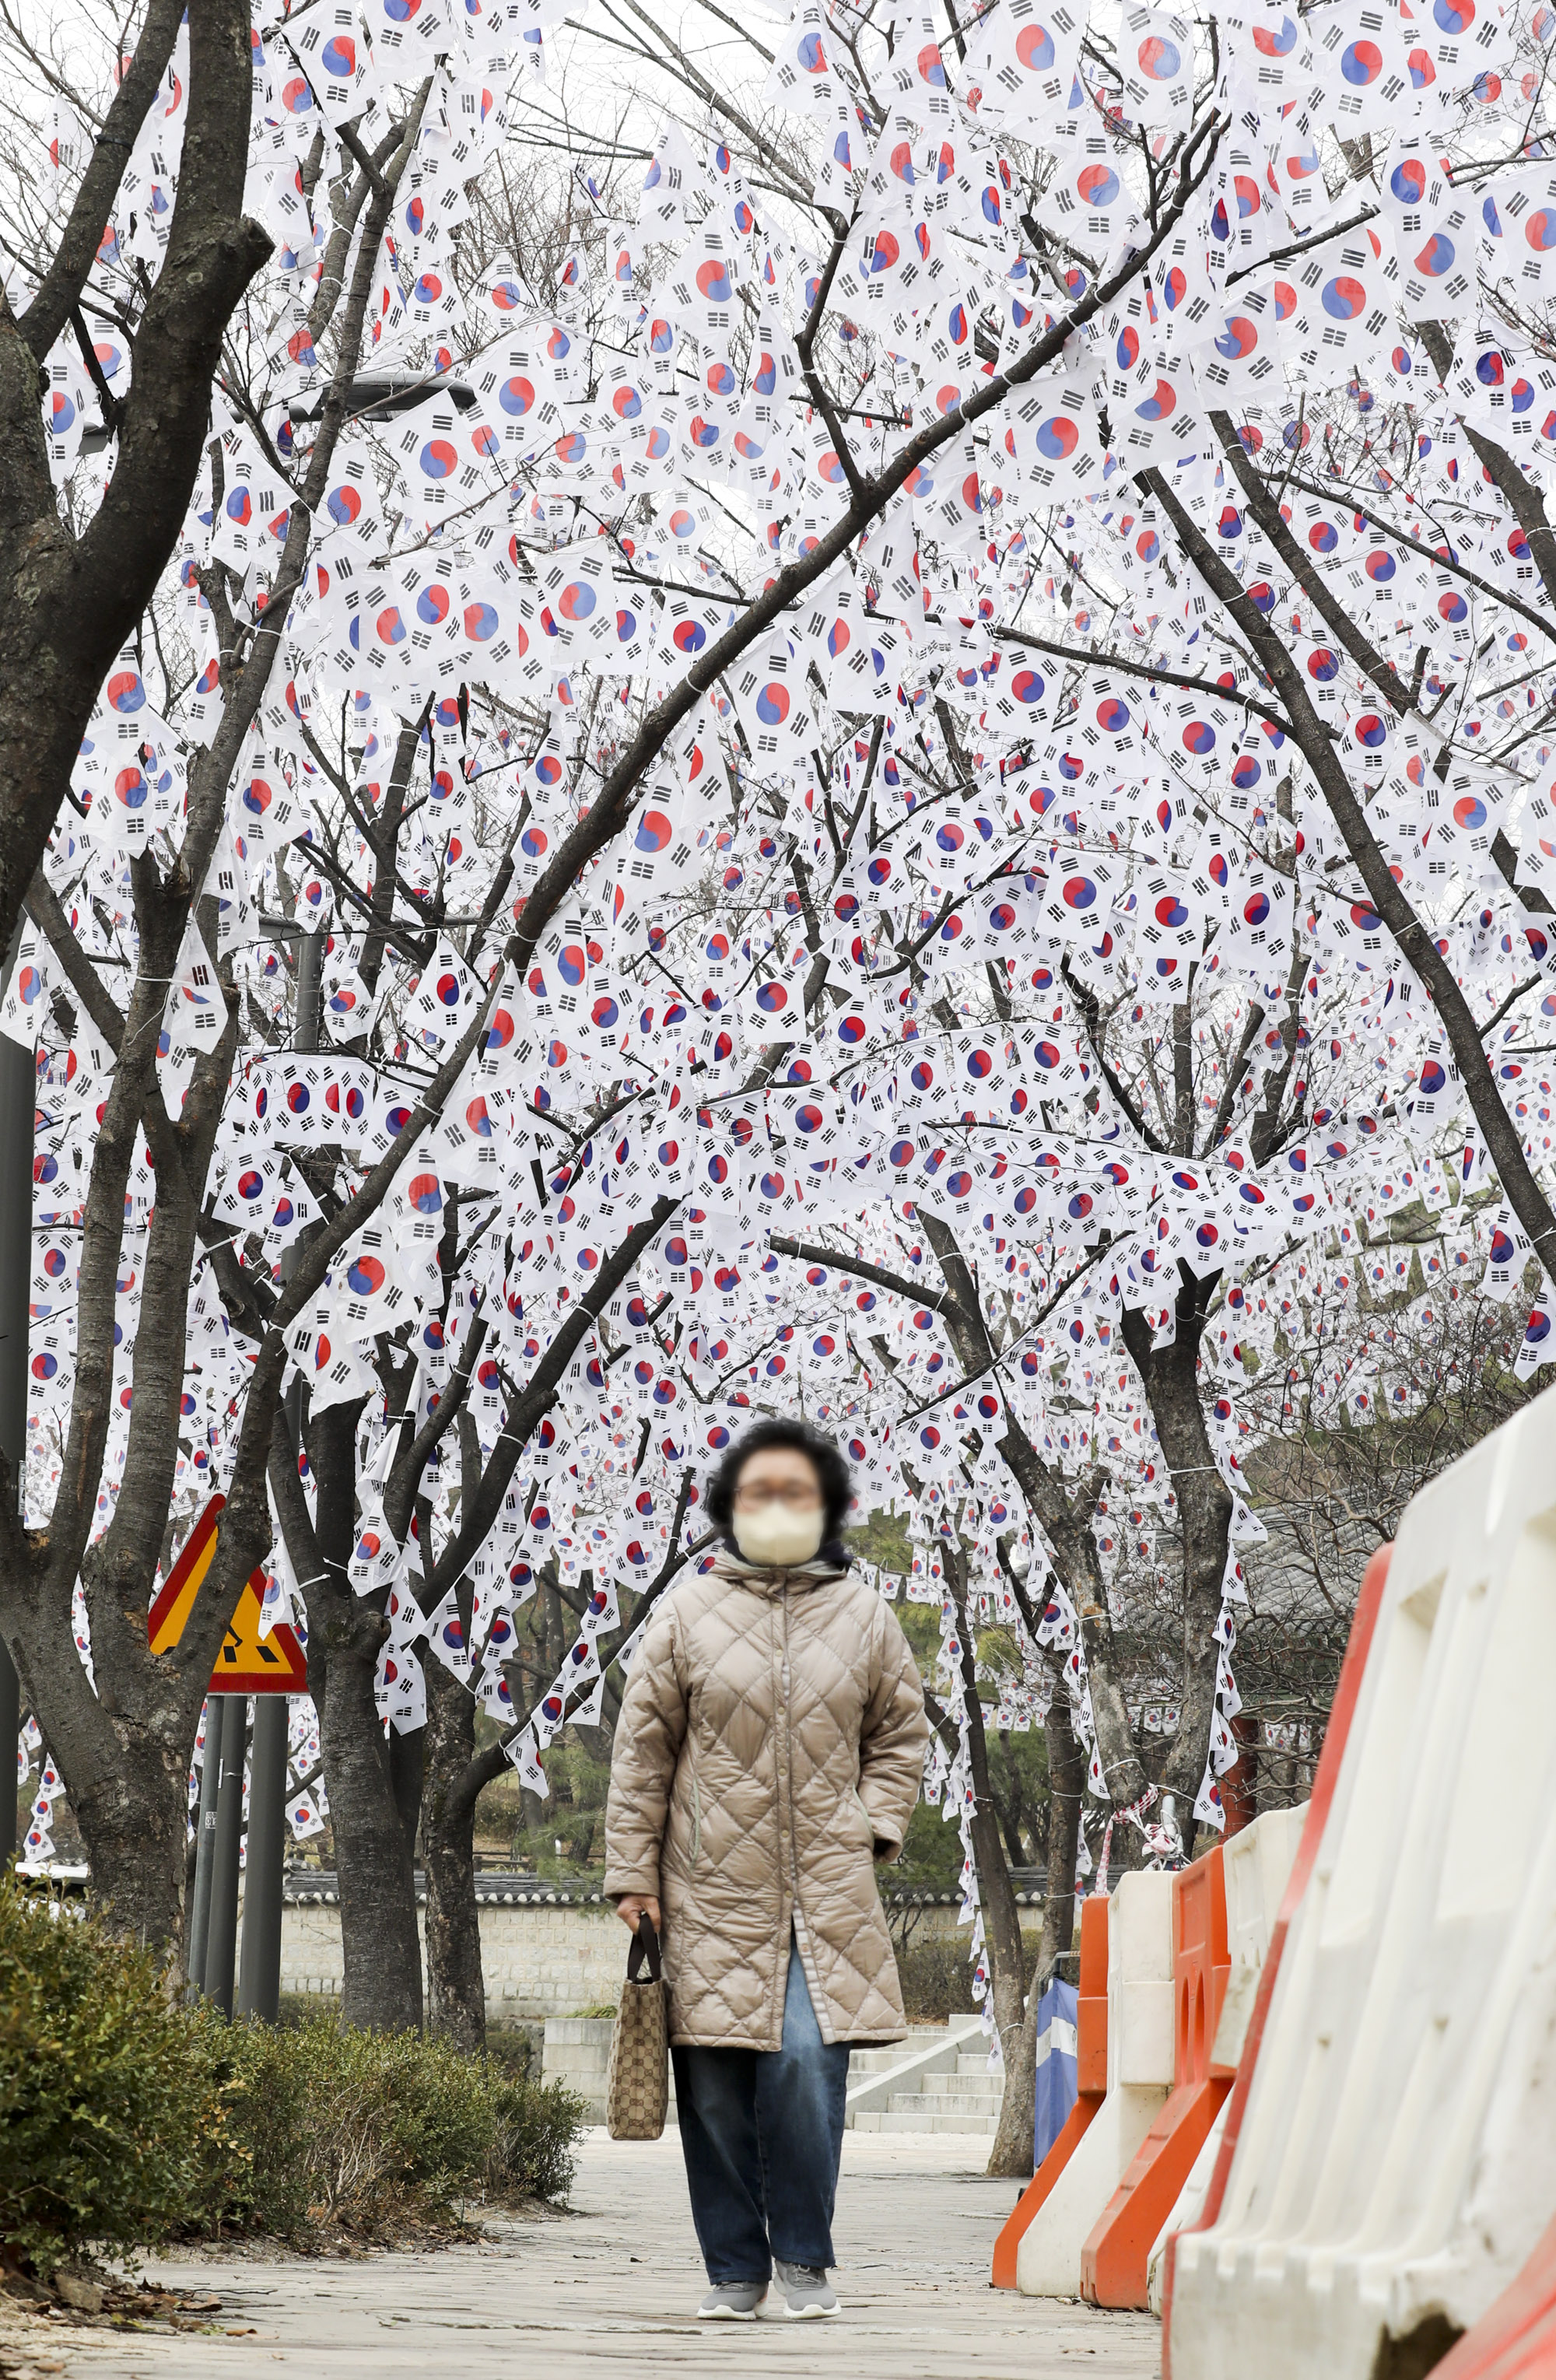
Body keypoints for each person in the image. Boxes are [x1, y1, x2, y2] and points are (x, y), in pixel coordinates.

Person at [604, 1418, 930, 2321]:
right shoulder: (684, 1613)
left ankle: (803, 2253)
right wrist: (633, 1873)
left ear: (825, 1503)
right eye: (759, 1490)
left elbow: (900, 1734)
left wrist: (872, 1824)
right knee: (710, 2085)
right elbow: (641, 1753)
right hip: (701, 1887)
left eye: (795, 1489)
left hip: (822, 1891)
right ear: (728, 1505)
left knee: (800, 2066)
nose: (778, 1504)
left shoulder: (865, 1615)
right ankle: (733, 2268)